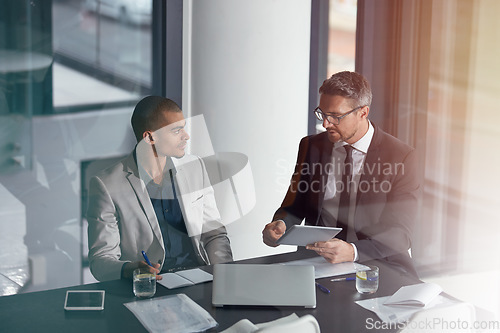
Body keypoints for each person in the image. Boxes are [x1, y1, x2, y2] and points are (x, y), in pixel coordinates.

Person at [262, 71, 420, 275]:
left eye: (335, 116)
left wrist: (353, 252)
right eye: (322, 113)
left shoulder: (401, 156)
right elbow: (294, 205)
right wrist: (281, 224)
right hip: (316, 261)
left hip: (376, 263)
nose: (326, 124)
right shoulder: (311, 146)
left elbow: (400, 233)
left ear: (363, 112)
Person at [87, 96, 233, 281]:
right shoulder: (107, 185)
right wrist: (130, 270)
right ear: (149, 137)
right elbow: (101, 260)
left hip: (199, 279)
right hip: (150, 287)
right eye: (176, 130)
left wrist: (225, 277)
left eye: (184, 128)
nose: (186, 136)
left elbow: (214, 234)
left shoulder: (195, 166)